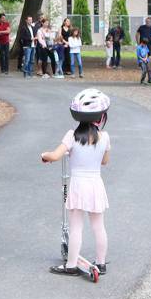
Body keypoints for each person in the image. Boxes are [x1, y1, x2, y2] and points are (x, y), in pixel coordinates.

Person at [40, 88, 111, 276]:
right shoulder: (105, 137)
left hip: (79, 185)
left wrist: (44, 155)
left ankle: (71, 265)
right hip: (96, 184)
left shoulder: (72, 136)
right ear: (101, 117)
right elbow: (104, 161)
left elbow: (55, 156)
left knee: (76, 226)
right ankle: (101, 262)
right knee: (98, 225)